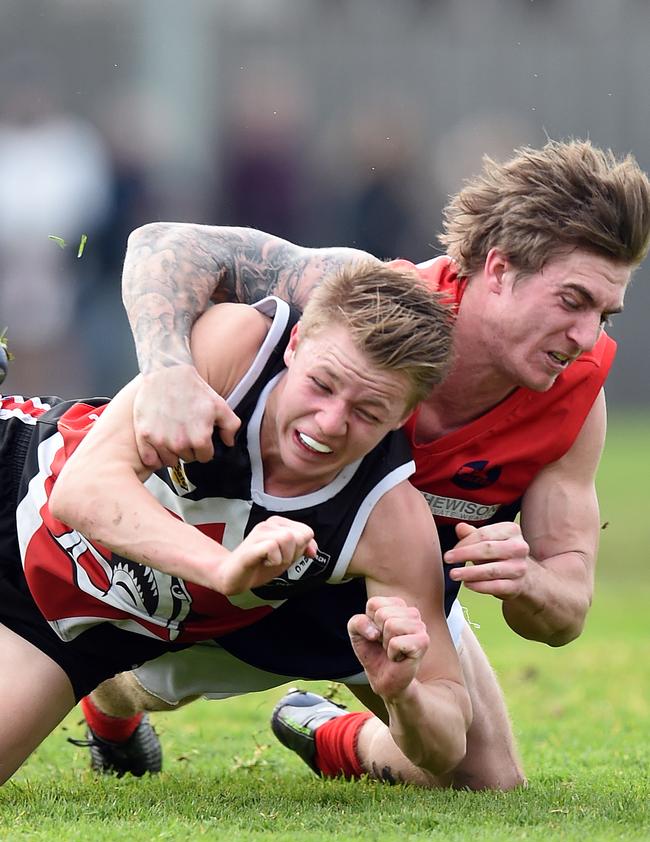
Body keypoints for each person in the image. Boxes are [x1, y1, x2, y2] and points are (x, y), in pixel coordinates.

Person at [83, 138, 650, 790]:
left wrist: (528, 580)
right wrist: (166, 370)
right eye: (572, 301)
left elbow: (566, 608)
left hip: (400, 605)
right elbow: (163, 244)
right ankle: (108, 706)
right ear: (499, 268)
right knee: (134, 681)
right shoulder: (370, 298)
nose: (587, 337)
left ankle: (323, 730)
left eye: (604, 314)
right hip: (255, 555)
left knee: (487, 779)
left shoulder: (574, 398)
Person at [0, 260, 473, 786]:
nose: (330, 422)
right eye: (321, 383)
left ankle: (110, 711)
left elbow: (451, 742)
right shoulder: (239, 345)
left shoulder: (387, 519)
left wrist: (403, 693)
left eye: (370, 411)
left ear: (405, 412)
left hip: (59, 629)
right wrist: (225, 569)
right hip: (19, 473)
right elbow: (83, 489)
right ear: (295, 344)